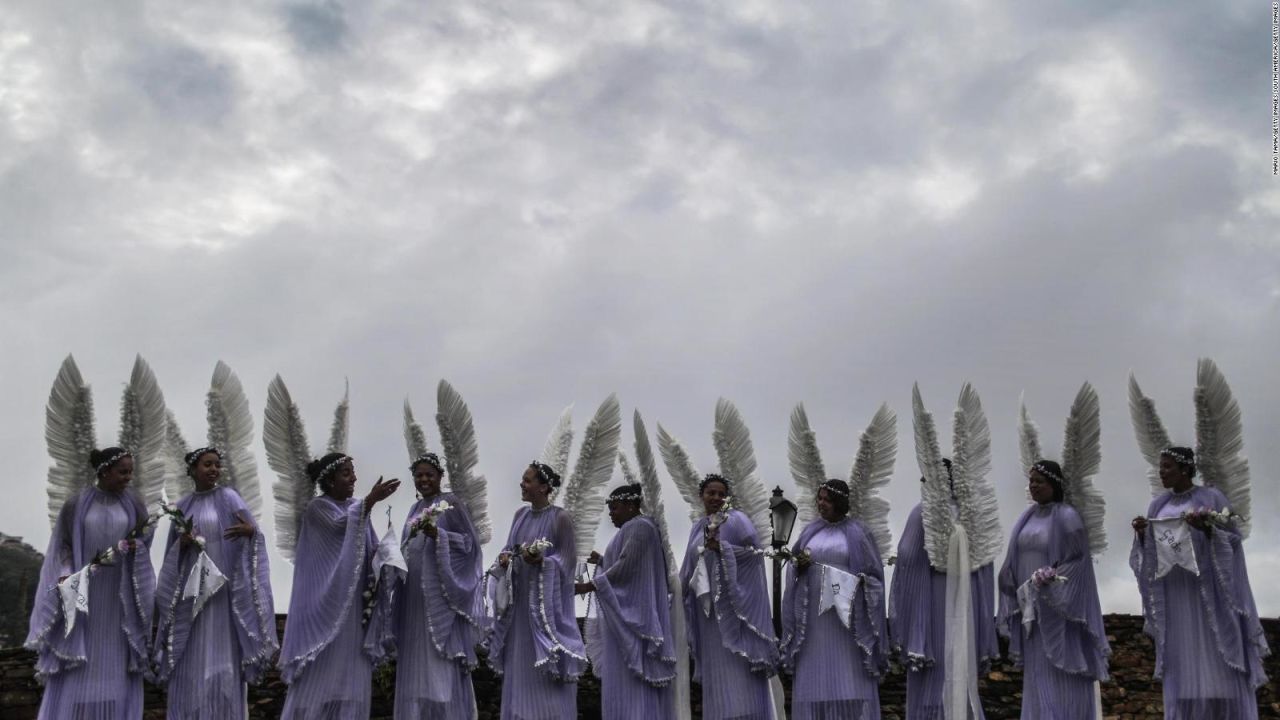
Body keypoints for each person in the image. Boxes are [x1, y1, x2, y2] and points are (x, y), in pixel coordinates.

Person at [1130, 447, 1269, 719]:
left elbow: (1233, 541)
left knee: (1217, 653)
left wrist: (1207, 529)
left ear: (1185, 469)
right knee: (1183, 658)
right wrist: (1144, 535)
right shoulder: (1157, 505)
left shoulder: (1211, 497)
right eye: (1161, 466)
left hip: (1207, 592)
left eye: (1168, 466)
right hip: (1176, 592)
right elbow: (1153, 553)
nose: (1162, 471)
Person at [25, 447, 157, 720]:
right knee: (81, 665)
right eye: (123, 472)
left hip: (118, 598)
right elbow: (62, 546)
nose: (128, 477)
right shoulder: (76, 505)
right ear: (105, 471)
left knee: (114, 665)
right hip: (85, 594)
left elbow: (145, 538)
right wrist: (68, 575)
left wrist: (136, 547)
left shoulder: (133, 504)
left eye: (131, 471)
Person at [151, 447, 277, 720]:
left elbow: (255, 534)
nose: (214, 470)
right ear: (193, 469)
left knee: (223, 664)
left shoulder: (230, 498)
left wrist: (250, 532)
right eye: (207, 465)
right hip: (193, 598)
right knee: (192, 662)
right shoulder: (181, 507)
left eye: (217, 465)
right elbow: (171, 556)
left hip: (225, 595)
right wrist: (181, 545)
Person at [277, 453, 400, 720]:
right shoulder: (318, 509)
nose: (354, 477)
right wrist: (370, 501)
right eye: (346, 473)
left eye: (352, 471)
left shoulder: (358, 508)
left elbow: (369, 549)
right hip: (326, 610)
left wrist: (388, 556)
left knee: (349, 678)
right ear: (330, 480)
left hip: (354, 608)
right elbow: (340, 527)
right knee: (321, 678)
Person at [997, 461, 1109, 719]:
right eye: (1031, 480)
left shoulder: (1067, 516)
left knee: (1061, 673)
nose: (1033, 485)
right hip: (1032, 610)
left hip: (1060, 611)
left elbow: (1078, 560)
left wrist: (1052, 579)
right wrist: (1009, 578)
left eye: (1039, 481)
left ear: (1054, 485)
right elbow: (1015, 555)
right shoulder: (1026, 517)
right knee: (1038, 673)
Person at [889, 459, 999, 720]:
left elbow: (907, 555)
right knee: (958, 673)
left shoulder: (923, 513)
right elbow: (986, 562)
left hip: (933, 604)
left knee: (934, 676)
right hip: (967, 604)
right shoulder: (972, 515)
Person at [485, 461, 586, 719]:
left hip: (543, 613)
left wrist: (544, 561)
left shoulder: (560, 518)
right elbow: (508, 548)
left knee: (543, 677)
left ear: (543, 487)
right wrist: (506, 558)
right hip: (519, 610)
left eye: (527, 480)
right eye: (523, 479)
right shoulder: (520, 515)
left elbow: (567, 560)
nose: (522, 484)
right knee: (519, 667)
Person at [781, 479, 887, 719]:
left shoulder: (859, 533)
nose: (821, 504)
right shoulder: (811, 531)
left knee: (848, 681)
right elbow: (793, 563)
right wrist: (798, 565)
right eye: (819, 498)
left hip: (847, 618)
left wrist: (857, 585)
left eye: (826, 499)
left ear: (839, 502)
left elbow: (874, 575)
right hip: (814, 619)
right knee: (815, 682)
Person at [678, 473, 779, 720]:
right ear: (701, 495)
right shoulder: (696, 527)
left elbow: (754, 555)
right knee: (717, 676)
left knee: (738, 670)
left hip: (733, 611)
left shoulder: (736, 521)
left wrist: (722, 549)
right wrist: (671, 594)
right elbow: (687, 570)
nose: (716, 497)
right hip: (707, 615)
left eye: (721, 494)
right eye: (711, 493)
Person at [575, 483, 677, 718]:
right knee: (624, 678)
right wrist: (601, 559)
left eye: (615, 508)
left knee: (632, 681)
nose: (611, 513)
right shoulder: (633, 529)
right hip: (625, 618)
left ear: (631, 506)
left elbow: (626, 568)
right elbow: (624, 565)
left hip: (634, 623)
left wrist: (587, 585)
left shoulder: (640, 527)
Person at [393, 452, 483, 719]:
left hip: (439, 595)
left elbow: (469, 545)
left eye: (429, 474)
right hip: (413, 595)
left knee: (437, 656)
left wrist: (439, 535)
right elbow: (407, 545)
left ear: (439, 476)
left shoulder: (451, 502)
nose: (423, 480)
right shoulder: (413, 509)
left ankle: (445, 710)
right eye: (418, 475)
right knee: (416, 654)